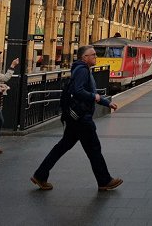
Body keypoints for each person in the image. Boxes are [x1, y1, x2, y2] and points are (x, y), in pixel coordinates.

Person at [30, 45, 122, 192]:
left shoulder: (82, 69)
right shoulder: (82, 70)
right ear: (84, 58)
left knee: (62, 147)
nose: (95, 57)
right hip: (81, 118)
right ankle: (104, 180)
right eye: (93, 55)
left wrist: (107, 102)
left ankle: (40, 175)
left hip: (75, 117)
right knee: (94, 149)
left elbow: (88, 91)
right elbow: (78, 91)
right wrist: (94, 97)